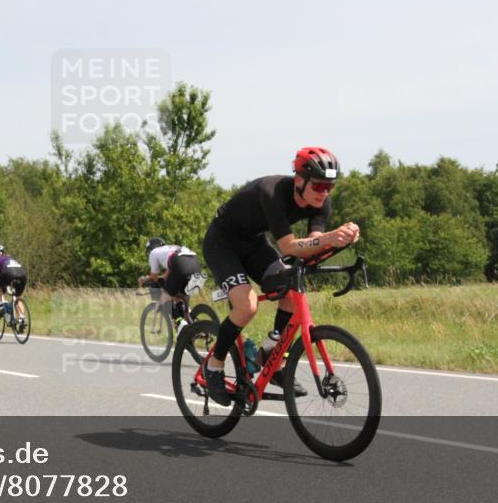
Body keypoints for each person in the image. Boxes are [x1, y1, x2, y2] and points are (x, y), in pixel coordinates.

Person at [201, 147, 360, 404]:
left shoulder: (321, 203)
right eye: (319, 185)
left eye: (330, 186)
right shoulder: (272, 193)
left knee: (291, 291)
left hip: (254, 243)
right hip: (223, 242)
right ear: (299, 180)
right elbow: (288, 247)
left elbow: (312, 246)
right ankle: (214, 366)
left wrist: (341, 240)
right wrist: (330, 238)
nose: (325, 192)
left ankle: (271, 353)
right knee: (247, 305)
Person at [137, 237, 205, 320]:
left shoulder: (153, 252)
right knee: (178, 295)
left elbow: (154, 277)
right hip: (197, 265)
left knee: (165, 297)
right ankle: (192, 321)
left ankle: (180, 323)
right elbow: (167, 277)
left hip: (180, 263)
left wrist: (145, 279)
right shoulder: (171, 249)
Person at [0, 245, 27, 330]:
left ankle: (1, 305)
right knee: (17, 297)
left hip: (8, 273)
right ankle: (21, 318)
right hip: (22, 274)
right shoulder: (10, 258)